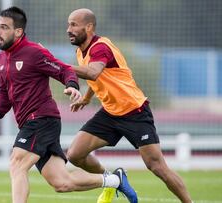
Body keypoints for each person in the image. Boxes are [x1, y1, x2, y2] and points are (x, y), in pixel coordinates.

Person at [0, 6, 137, 203]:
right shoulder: (1, 58)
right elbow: (4, 93)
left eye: (3, 27)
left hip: (41, 119)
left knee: (17, 163)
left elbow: (64, 70)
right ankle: (114, 180)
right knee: (62, 183)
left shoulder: (34, 52)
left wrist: (72, 85)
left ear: (18, 32)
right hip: (35, 123)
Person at [65, 8, 193, 203]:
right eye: (69, 24)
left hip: (135, 111)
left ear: (89, 27)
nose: (69, 29)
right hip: (110, 112)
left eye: (74, 24)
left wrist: (56, 64)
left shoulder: (100, 47)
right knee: (75, 154)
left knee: (156, 166)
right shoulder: (80, 51)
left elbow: (92, 73)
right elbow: (97, 77)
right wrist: (87, 98)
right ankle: (114, 180)